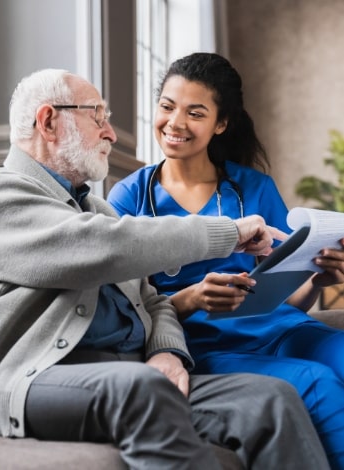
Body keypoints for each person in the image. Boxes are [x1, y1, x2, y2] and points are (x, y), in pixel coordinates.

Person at [0, 68, 330, 470]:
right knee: (142, 389)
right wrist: (228, 233)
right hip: (38, 376)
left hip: (132, 368)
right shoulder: (7, 194)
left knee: (272, 399)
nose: (111, 133)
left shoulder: (96, 209)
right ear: (49, 121)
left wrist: (168, 350)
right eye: (98, 117)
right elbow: (103, 247)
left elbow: (152, 300)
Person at [107, 52, 344, 469]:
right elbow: (124, 310)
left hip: (280, 329)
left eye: (194, 112)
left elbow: (281, 299)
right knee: (318, 383)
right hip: (207, 346)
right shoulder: (128, 199)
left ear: (220, 123)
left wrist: (318, 280)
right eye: (167, 106)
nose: (175, 123)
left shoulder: (253, 186)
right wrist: (193, 298)